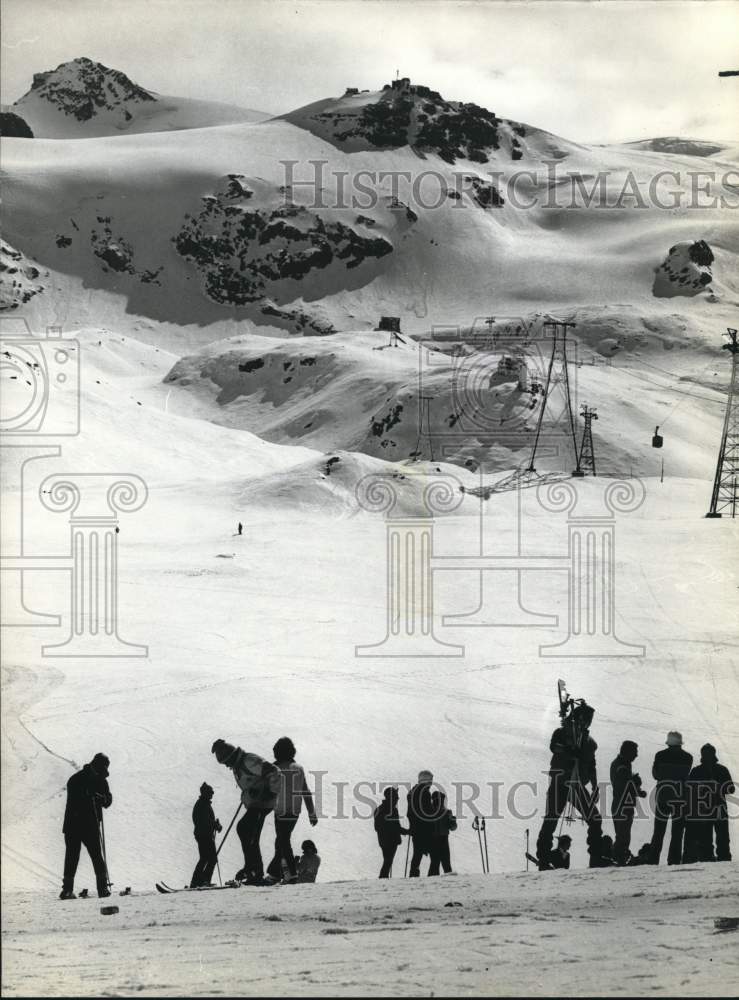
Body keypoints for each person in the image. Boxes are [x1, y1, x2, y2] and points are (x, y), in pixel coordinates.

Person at [536, 701, 603, 870]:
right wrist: (569, 750)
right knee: (552, 819)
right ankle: (544, 858)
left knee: (594, 819)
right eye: (588, 719)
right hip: (561, 782)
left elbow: (591, 765)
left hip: (575, 784)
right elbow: (554, 747)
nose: (588, 722)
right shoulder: (562, 732)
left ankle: (596, 856)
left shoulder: (589, 742)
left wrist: (595, 786)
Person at [211, 739, 280, 883]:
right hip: (258, 803)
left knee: (244, 829)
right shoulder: (238, 766)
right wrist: (247, 797)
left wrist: (270, 791)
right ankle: (253, 869)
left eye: (226, 762)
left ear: (231, 756)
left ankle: (253, 869)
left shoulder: (248, 760)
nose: (227, 766)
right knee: (249, 833)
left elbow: (274, 771)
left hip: (263, 802)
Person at [265, 737, 318, 885]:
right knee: (281, 841)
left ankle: (292, 874)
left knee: (283, 840)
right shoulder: (298, 768)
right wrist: (311, 813)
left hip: (279, 810)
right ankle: (275, 873)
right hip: (294, 811)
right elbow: (305, 791)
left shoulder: (274, 768)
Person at [60, 753, 112, 900]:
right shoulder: (77, 779)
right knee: (74, 857)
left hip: (88, 824)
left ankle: (101, 889)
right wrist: (88, 796)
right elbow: (74, 800)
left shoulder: (101, 780)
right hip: (76, 824)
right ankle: (68, 890)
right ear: (97, 764)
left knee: (93, 856)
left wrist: (103, 799)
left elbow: (108, 800)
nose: (104, 769)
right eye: (104, 766)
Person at [683, 744, 735, 863]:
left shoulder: (715, 770)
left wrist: (717, 787)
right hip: (705, 809)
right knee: (707, 838)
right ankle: (711, 859)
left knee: (721, 838)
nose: (706, 756)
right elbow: (690, 790)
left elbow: (731, 788)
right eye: (705, 753)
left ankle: (722, 860)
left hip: (714, 808)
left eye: (708, 753)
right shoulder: (702, 770)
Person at [650, 731, 693, 865]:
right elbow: (686, 776)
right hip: (679, 798)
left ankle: (653, 861)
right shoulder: (688, 757)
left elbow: (655, 775)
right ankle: (673, 861)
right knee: (677, 833)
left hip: (663, 797)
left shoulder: (660, 755)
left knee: (658, 832)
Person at [610, 740, 647, 865]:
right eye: (634, 752)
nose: (636, 755)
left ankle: (619, 858)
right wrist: (637, 788)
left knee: (621, 835)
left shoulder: (621, 764)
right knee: (623, 836)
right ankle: (619, 859)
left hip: (619, 804)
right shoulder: (622, 766)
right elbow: (624, 787)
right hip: (623, 806)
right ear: (628, 752)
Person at [407, 770, 440, 877]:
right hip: (425, 829)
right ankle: (433, 877)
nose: (431, 783)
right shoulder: (424, 792)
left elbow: (410, 813)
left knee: (417, 854)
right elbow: (428, 812)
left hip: (416, 829)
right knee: (435, 855)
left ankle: (413, 876)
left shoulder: (412, 792)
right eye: (431, 781)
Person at [190, 782, 222, 888]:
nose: (212, 794)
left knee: (205, 858)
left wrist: (215, 824)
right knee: (210, 858)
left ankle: (198, 881)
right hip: (204, 835)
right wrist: (215, 825)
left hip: (203, 834)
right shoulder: (202, 804)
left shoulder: (204, 804)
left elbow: (207, 820)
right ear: (205, 793)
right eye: (210, 793)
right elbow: (205, 821)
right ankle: (203, 881)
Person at [374, 787, 409, 878]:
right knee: (388, 862)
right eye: (396, 796)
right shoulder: (391, 810)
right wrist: (406, 831)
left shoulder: (380, 809)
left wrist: (405, 831)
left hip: (385, 840)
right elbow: (394, 827)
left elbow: (378, 827)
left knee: (388, 861)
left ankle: (383, 879)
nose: (398, 798)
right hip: (390, 840)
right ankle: (382, 879)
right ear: (391, 797)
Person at [428, 790, 457, 876]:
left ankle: (432, 882)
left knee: (437, 863)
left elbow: (453, 827)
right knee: (441, 863)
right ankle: (446, 884)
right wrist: (453, 821)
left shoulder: (430, 812)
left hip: (437, 838)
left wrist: (453, 821)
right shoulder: (446, 812)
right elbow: (453, 827)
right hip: (440, 838)